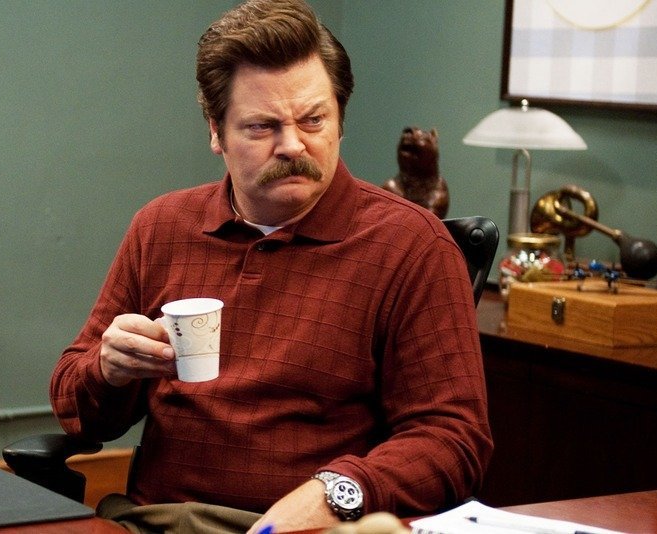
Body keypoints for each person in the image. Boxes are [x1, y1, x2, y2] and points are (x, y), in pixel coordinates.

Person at [50, 0, 493, 532]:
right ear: (216, 132)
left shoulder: (411, 247)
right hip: (156, 520)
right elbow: (76, 408)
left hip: (307, 527)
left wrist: (337, 491)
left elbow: (453, 439)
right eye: (262, 126)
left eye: (313, 120)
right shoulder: (162, 227)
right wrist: (108, 369)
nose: (293, 145)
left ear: (340, 121)